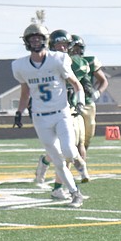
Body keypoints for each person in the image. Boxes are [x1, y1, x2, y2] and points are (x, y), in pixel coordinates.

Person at [10, 23, 86, 207]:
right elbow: (25, 92)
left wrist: (80, 102)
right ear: (27, 42)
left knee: (68, 151)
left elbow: (77, 85)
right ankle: (76, 193)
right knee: (58, 161)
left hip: (61, 113)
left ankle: (78, 160)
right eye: (32, 39)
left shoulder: (58, 59)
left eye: (39, 38)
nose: (35, 41)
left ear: (45, 40)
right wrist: (19, 112)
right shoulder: (20, 65)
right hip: (40, 117)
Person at [34, 29, 91, 193]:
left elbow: (82, 83)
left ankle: (59, 183)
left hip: (70, 109)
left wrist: (84, 98)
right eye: (58, 45)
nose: (62, 48)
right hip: (50, 110)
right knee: (61, 151)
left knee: (73, 146)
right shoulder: (45, 62)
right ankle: (57, 182)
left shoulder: (75, 62)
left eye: (64, 45)